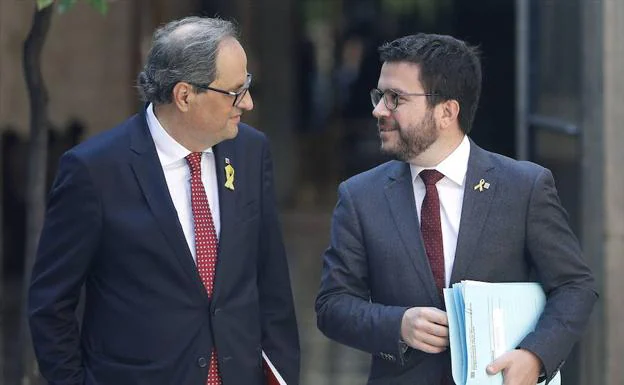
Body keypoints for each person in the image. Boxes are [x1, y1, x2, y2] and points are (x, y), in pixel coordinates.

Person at [28, 16, 299, 385]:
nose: (248, 102)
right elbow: (50, 305)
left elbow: (272, 284)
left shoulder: (251, 151)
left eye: (247, 85)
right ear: (185, 95)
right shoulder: (94, 171)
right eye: (235, 91)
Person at [315, 33, 597, 385]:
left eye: (394, 98)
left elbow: (575, 286)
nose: (378, 110)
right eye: (379, 96)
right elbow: (333, 306)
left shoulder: (524, 188)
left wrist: (536, 356)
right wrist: (397, 325)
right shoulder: (360, 196)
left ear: (447, 112)